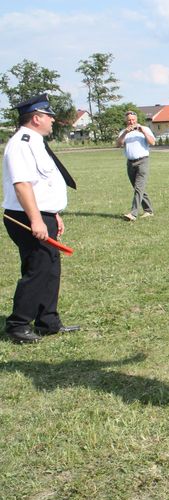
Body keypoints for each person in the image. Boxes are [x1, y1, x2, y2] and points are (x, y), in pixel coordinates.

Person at [2, 94, 80, 343]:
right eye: (49, 116)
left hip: (41, 213)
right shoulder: (22, 143)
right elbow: (23, 185)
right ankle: (18, 324)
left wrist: (52, 213)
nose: (53, 120)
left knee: (50, 268)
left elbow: (41, 184)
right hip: (26, 216)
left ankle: (48, 321)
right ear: (36, 118)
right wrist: (36, 220)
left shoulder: (35, 142)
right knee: (37, 269)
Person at [116, 110, 156, 221]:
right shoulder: (124, 132)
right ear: (126, 121)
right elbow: (118, 144)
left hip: (143, 161)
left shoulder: (145, 129)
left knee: (138, 188)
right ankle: (148, 210)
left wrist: (143, 131)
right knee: (138, 188)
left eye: (133, 119)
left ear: (136, 120)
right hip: (130, 163)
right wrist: (125, 133)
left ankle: (133, 213)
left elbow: (152, 142)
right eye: (129, 120)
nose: (131, 122)